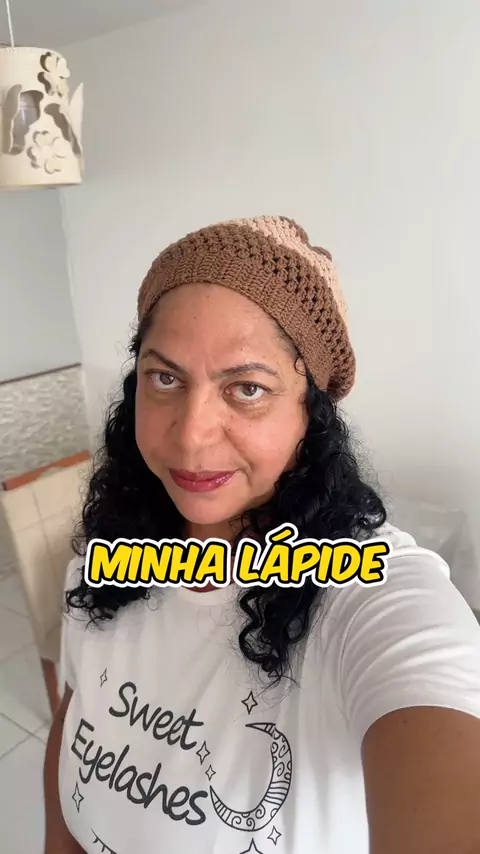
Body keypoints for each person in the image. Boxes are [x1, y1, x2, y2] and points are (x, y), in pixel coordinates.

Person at [44, 215, 480, 854]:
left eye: (246, 388)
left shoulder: (367, 597)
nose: (191, 435)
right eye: (165, 378)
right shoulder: (104, 555)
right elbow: (77, 709)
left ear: (311, 415)